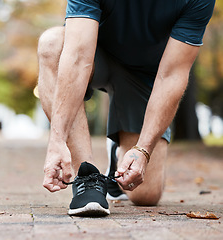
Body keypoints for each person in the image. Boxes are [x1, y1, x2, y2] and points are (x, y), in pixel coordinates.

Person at [37, 0, 215, 216]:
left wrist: (143, 149)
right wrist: (57, 140)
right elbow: (78, 56)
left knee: (146, 195)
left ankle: (116, 157)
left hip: (147, 76)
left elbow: (172, 76)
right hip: (97, 54)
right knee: (52, 44)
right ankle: (88, 176)